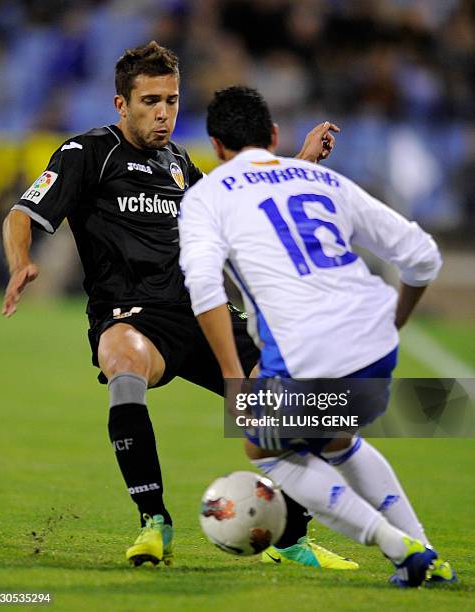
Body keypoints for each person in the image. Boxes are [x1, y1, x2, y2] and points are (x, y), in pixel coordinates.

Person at [1, 41, 354, 570]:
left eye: (170, 99)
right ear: (122, 104)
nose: (163, 112)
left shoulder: (180, 163)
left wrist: (300, 160)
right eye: (150, 101)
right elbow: (21, 215)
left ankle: (287, 535)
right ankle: (154, 521)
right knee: (121, 360)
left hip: (200, 312)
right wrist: (21, 261)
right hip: (133, 315)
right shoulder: (87, 153)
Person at [178, 85, 457, 587]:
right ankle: (428, 552)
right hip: (376, 346)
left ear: (216, 147)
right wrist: (394, 324)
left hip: (307, 352)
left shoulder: (206, 196)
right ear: (275, 134)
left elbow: (203, 288)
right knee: (334, 437)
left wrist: (233, 379)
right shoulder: (321, 179)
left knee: (265, 450)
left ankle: (403, 549)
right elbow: (422, 256)